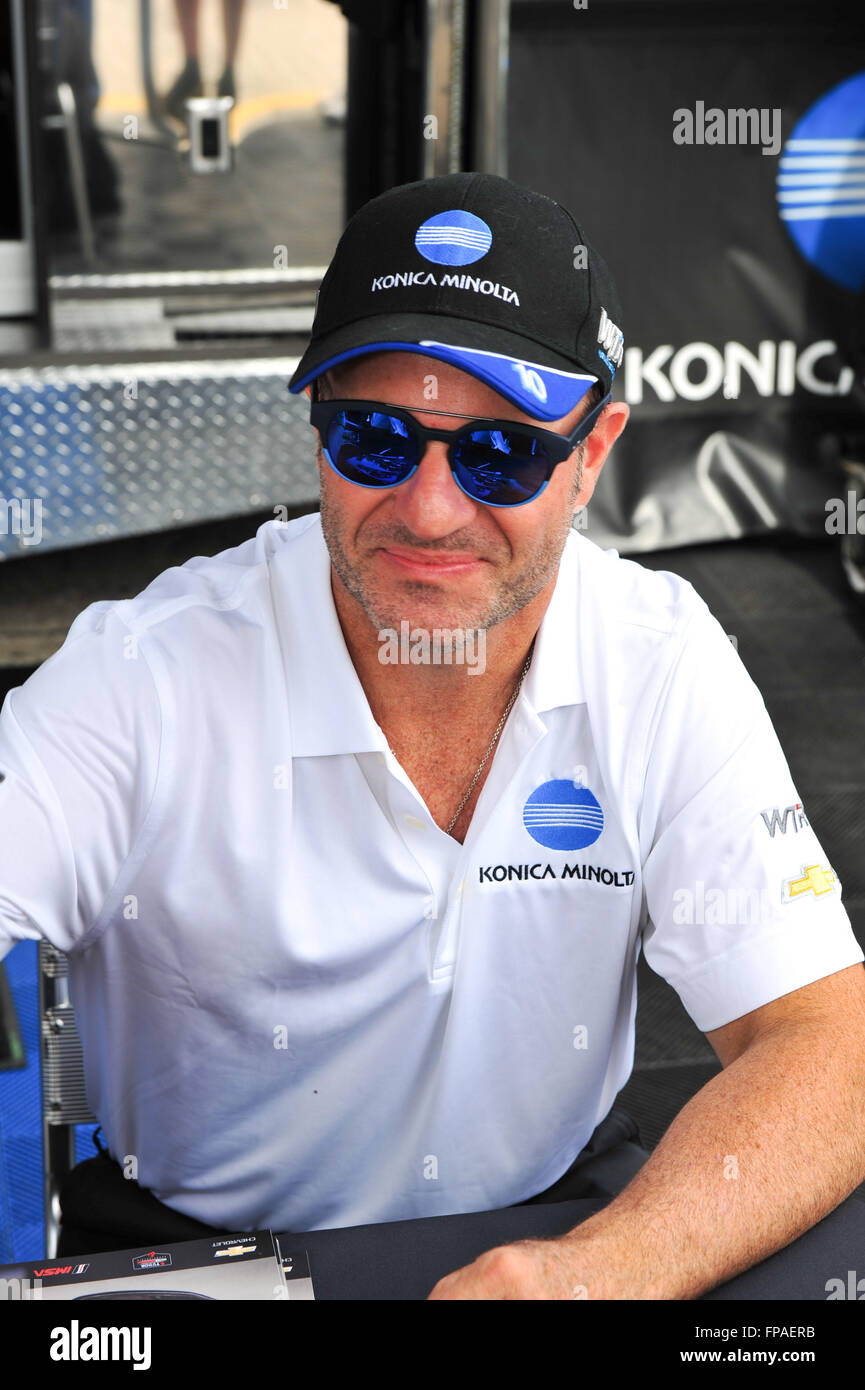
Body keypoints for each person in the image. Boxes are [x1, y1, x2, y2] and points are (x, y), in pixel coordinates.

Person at [1, 173, 863, 1300]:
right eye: (374, 438)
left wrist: (603, 1272)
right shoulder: (144, 672)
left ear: (592, 452)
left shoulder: (658, 655)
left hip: (553, 1220)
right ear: (315, 432)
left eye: (500, 452)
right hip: (199, 1254)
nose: (430, 507)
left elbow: (821, 1039)